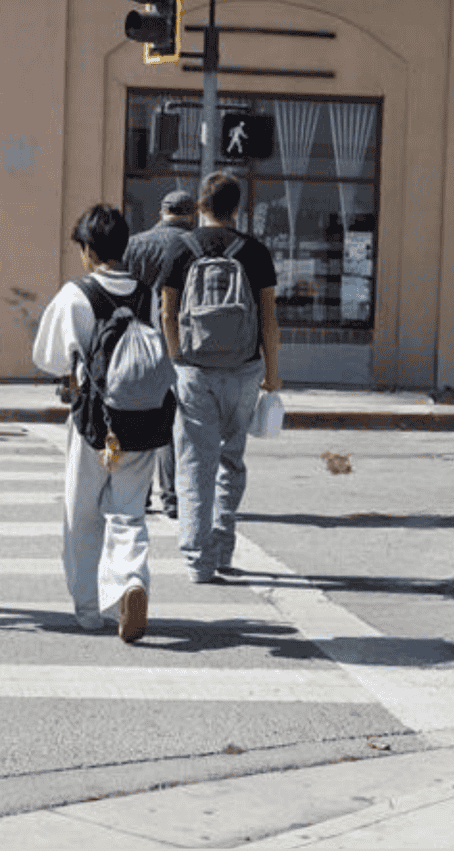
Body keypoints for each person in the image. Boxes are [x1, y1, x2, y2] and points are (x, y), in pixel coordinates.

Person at [33, 204, 172, 643]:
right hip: (144, 420)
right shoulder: (145, 293)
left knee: (84, 513)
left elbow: (48, 357)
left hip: (95, 421)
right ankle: (132, 581)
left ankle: (89, 609)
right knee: (129, 511)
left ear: (88, 249)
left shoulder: (77, 294)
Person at [160, 172, 282, 583]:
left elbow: (167, 312)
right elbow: (268, 319)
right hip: (245, 369)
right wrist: (274, 375)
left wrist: (177, 360)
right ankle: (223, 548)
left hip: (194, 369)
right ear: (238, 207)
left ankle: (198, 561)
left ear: (200, 205)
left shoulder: (182, 249)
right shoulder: (256, 252)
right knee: (231, 459)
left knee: (195, 464)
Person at [122, 188, 197, 519]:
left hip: (140, 342)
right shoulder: (196, 246)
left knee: (142, 419)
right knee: (173, 422)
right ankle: (172, 498)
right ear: (191, 214)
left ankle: (140, 497)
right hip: (181, 343)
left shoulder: (135, 244)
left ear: (161, 212)